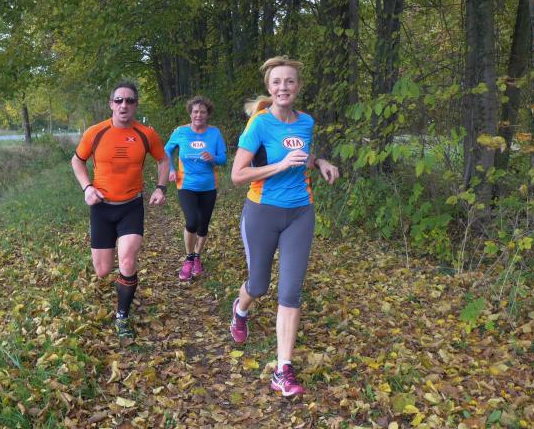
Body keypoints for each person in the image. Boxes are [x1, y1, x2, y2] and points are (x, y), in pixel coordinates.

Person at [229, 56, 339, 397]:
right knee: (259, 285)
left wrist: (319, 162)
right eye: (277, 82)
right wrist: (278, 166)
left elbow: (302, 154)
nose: (283, 87)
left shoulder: (306, 122)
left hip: (300, 214)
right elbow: (237, 175)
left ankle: (283, 370)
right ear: (269, 87)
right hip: (262, 212)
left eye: (290, 81)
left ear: (298, 86)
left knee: (290, 291)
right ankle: (240, 310)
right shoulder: (259, 125)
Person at [71, 81, 170, 340]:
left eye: (129, 100)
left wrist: (161, 188)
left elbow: (163, 159)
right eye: (119, 100)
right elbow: (77, 160)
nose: (124, 105)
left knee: (127, 259)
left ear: (136, 105)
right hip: (101, 208)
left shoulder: (146, 134)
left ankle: (122, 315)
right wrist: (87, 188)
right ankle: (121, 285)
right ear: (111, 104)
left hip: (131, 206)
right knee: (103, 270)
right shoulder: (95, 132)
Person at [164, 96, 227, 281]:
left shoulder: (215, 133)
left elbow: (223, 159)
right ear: (190, 114)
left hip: (208, 186)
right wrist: (171, 170)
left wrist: (213, 158)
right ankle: (189, 258)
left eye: (203, 112)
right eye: (196, 111)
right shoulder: (181, 132)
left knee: (203, 225)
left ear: (208, 114)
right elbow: (166, 151)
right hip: (186, 184)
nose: (199, 115)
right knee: (192, 221)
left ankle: (198, 256)